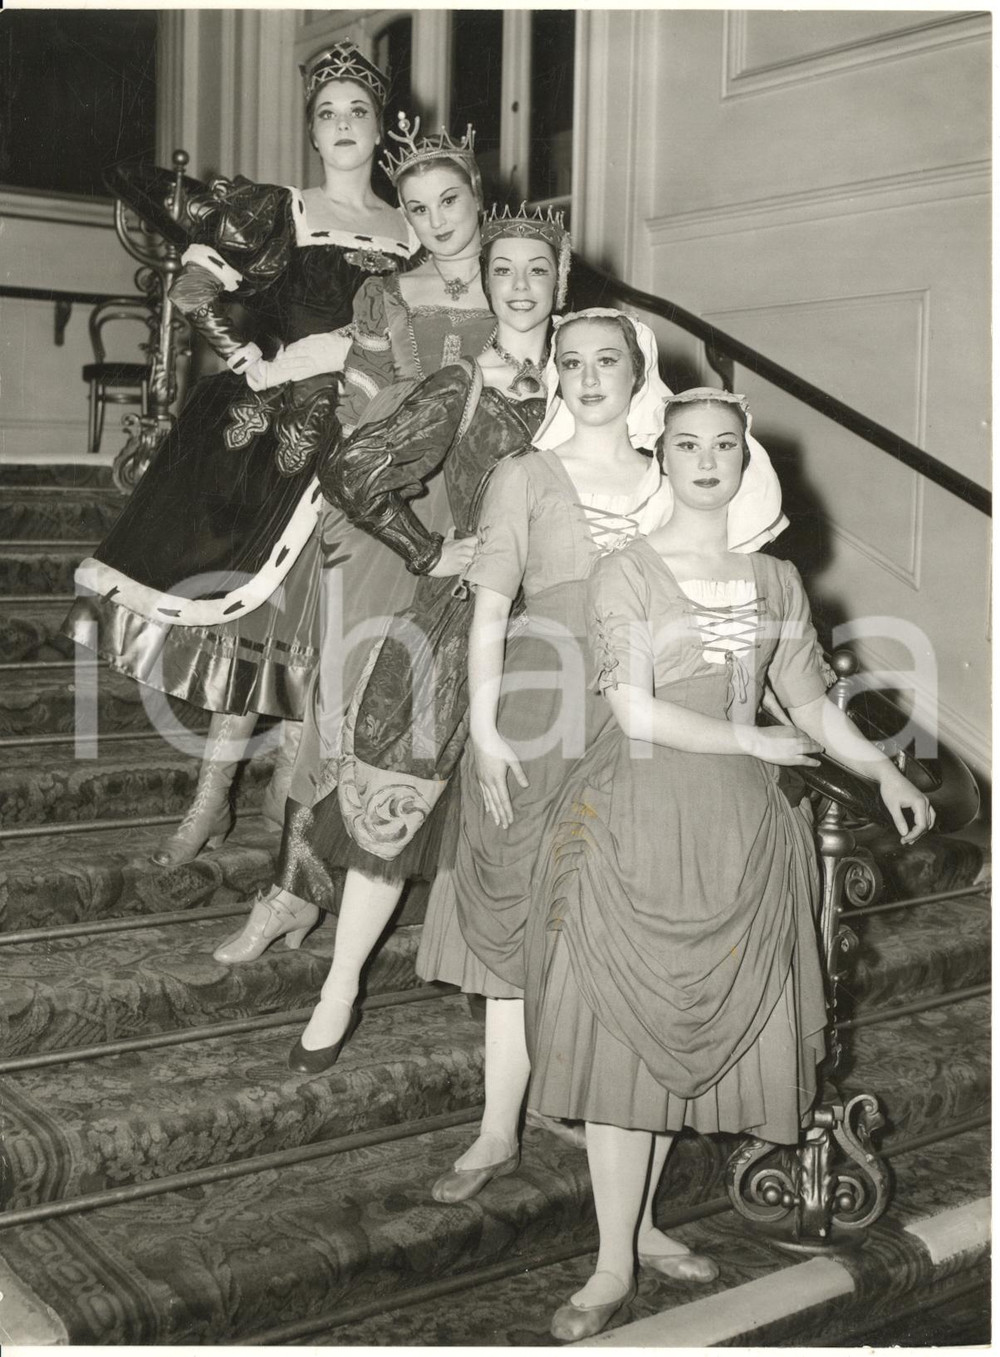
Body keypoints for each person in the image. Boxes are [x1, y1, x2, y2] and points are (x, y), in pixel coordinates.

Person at [517, 388, 935, 1341]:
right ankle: (612, 1261)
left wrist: (883, 771)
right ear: (660, 457)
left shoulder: (776, 579)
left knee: (679, 1040)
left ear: (746, 462)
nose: (706, 458)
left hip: (739, 832)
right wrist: (752, 742)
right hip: (639, 817)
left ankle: (646, 1226)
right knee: (628, 1036)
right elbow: (632, 710)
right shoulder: (623, 572)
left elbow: (809, 700)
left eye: (724, 446)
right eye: (687, 444)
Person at [64, 55, 493, 867]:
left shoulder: (414, 227)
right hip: (277, 438)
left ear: (378, 123)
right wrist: (252, 361)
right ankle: (210, 798)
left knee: (325, 636)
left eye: (356, 110)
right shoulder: (283, 210)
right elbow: (192, 292)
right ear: (311, 128)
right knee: (253, 627)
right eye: (326, 111)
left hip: (374, 436)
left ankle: (291, 811)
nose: (341, 124)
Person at [211, 208, 570, 1087]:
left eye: (539, 271)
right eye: (505, 272)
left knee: (554, 821)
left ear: (563, 281)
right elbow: (355, 466)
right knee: (391, 786)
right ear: (486, 284)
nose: (521, 286)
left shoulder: (602, 364)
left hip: (569, 621)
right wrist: (427, 547)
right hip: (461, 609)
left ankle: (547, 1032)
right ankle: (340, 986)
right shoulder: (467, 383)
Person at [418, 310, 708, 1204]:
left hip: (644, 718)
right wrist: (487, 728)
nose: (588, 377)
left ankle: (603, 1129)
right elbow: (491, 610)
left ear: (637, 374)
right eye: (571, 362)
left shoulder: (674, 479)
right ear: (554, 375)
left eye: (606, 361)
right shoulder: (524, 475)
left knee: (621, 919)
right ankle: (498, 1128)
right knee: (513, 920)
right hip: (538, 712)